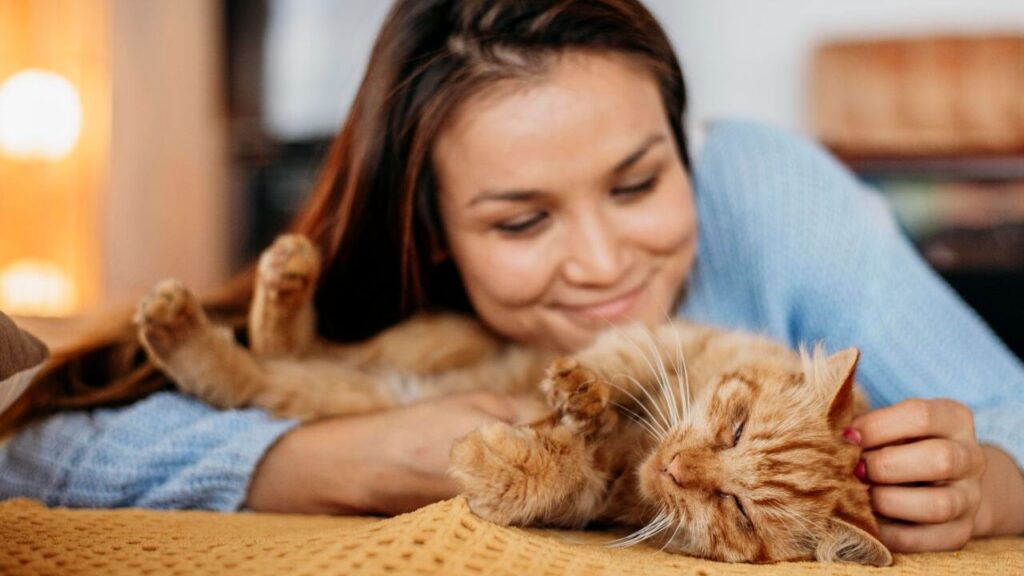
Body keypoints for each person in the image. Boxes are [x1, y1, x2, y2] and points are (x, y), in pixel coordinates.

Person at [1, 0, 1022, 554]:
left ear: (683, 142)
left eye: (636, 183)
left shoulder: (762, 190)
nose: (602, 262)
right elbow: (32, 449)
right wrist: (340, 456)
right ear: (431, 229)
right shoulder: (384, 282)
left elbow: (1007, 412)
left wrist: (988, 487)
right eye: (522, 219)